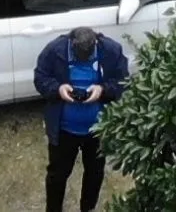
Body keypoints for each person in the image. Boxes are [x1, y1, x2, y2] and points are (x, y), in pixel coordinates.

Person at [33, 21, 131, 212]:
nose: (84, 59)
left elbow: (123, 81)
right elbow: (40, 78)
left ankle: (87, 208)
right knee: (57, 175)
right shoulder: (55, 50)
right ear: (72, 44)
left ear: (95, 43)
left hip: (98, 129)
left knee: (94, 173)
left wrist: (102, 90)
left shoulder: (111, 51)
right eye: (79, 56)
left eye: (88, 56)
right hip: (63, 130)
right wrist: (58, 89)